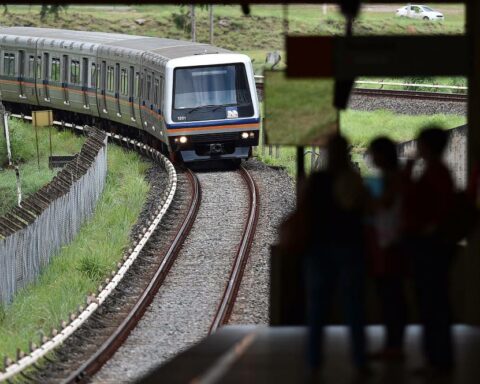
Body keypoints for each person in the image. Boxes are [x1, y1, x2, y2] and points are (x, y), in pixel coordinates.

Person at [281, 134, 368, 373]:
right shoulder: (352, 179)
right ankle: (359, 360)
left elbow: (304, 208)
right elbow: (362, 208)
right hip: (349, 248)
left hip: (317, 249)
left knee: (317, 307)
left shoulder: (317, 180)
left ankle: (313, 360)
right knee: (353, 306)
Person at [403, 127, 455, 372]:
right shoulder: (439, 172)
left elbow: (428, 206)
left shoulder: (436, 173)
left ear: (428, 146)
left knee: (431, 304)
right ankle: (437, 357)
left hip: (430, 248)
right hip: (434, 246)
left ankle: (437, 358)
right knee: (434, 302)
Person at [366, 137, 407, 360]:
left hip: (390, 244)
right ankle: (393, 344)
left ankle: (394, 345)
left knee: (391, 295)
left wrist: (367, 200)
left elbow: (384, 204)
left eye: (374, 153)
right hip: (391, 242)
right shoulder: (396, 176)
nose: (371, 157)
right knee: (392, 295)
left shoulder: (393, 179)